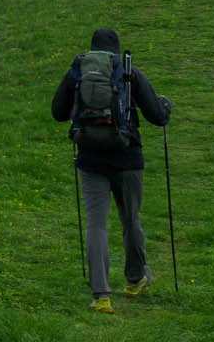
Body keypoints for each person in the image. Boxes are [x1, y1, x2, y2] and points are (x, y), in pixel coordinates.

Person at [51, 27, 171, 313]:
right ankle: (134, 280)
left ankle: (101, 295)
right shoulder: (128, 72)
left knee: (96, 224)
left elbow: (57, 112)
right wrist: (166, 107)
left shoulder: (77, 72)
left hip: (91, 158)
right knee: (130, 219)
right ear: (116, 50)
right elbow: (156, 116)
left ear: (91, 48)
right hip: (127, 157)